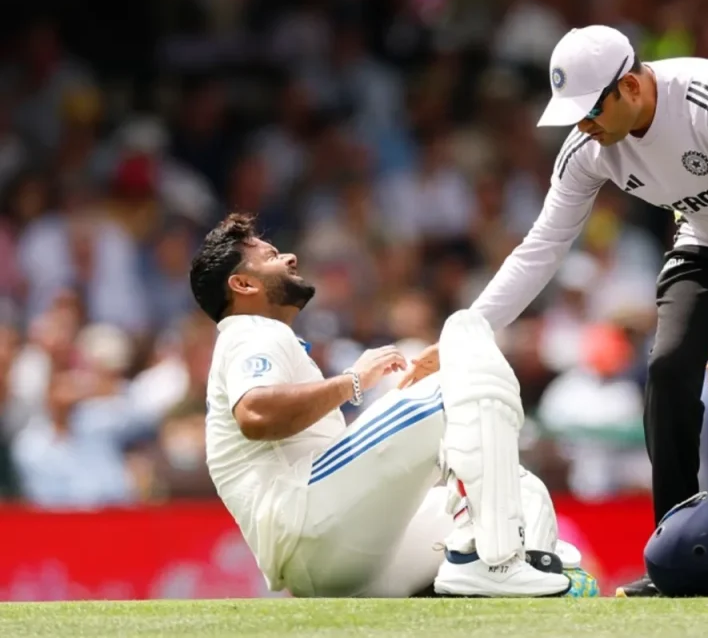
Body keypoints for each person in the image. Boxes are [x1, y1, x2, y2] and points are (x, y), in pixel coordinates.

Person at [399, 25, 708, 598]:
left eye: (590, 111)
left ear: (632, 86)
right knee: (666, 369)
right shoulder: (588, 148)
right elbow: (541, 248)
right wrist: (466, 333)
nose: (583, 126)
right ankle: (676, 554)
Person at [189, 212, 584, 598]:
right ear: (242, 284)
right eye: (271, 256)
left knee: (520, 492)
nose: (290, 258)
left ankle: (516, 562)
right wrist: (352, 381)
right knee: (464, 356)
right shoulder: (251, 331)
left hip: (345, 560)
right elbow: (256, 414)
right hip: (309, 526)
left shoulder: (262, 336)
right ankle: (495, 563)